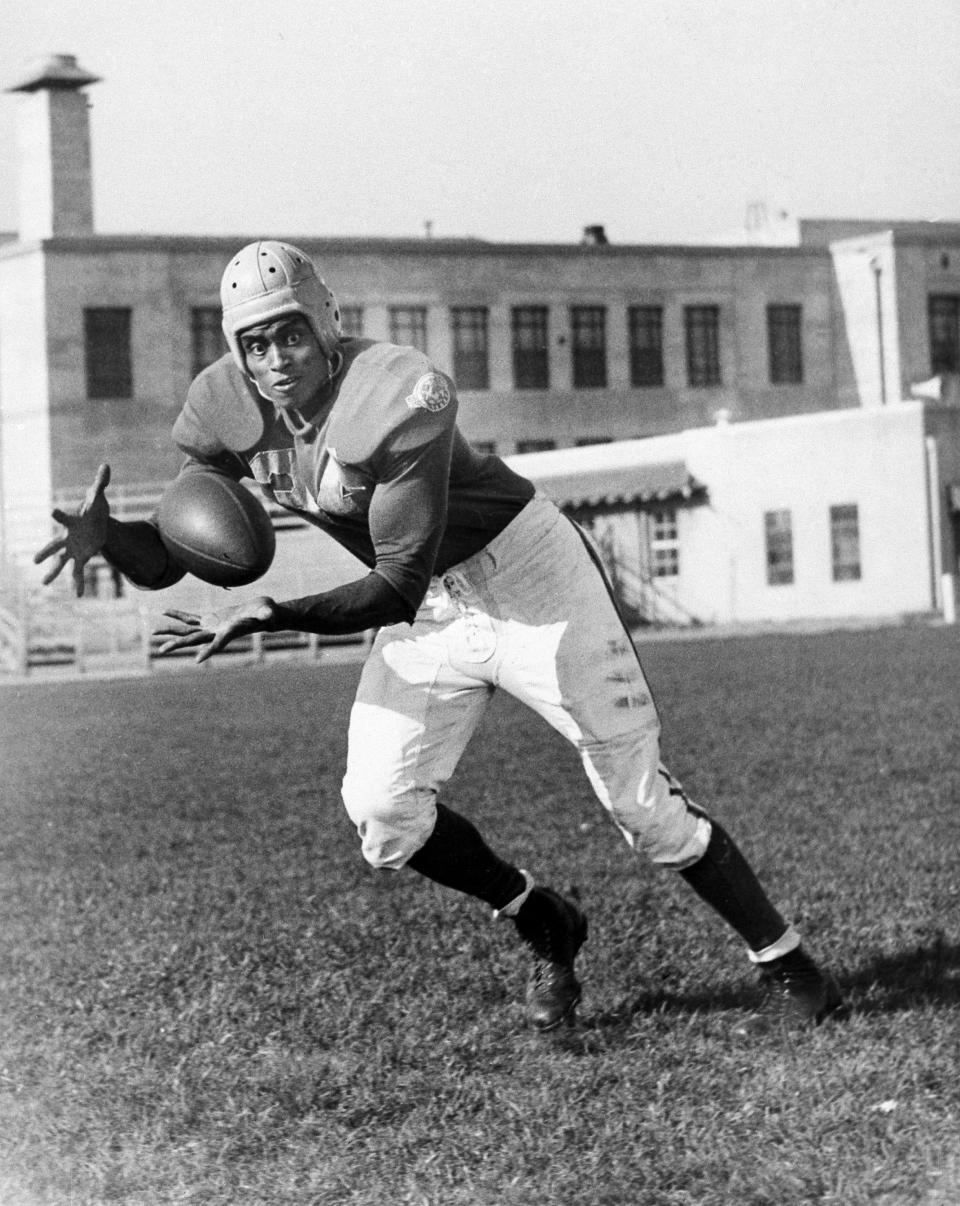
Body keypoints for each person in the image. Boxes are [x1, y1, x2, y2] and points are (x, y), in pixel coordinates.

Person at [36, 240, 843, 1032]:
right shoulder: (223, 408)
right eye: (255, 342)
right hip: (429, 612)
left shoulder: (395, 392)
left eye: (289, 333)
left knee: (643, 809)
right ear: (236, 353)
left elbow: (396, 581)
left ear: (326, 324)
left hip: (524, 576)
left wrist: (277, 613)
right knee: (381, 813)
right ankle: (542, 918)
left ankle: (787, 960)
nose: (277, 357)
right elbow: (183, 555)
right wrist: (114, 538)